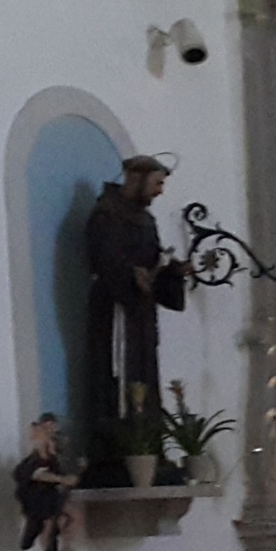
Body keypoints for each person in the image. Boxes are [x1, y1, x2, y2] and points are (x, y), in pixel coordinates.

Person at [85, 154, 188, 449]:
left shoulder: (146, 221)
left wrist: (172, 272)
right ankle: (118, 446)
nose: (160, 191)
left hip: (140, 313)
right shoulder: (106, 214)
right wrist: (132, 274)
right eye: (157, 183)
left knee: (144, 372)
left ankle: (147, 445)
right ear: (134, 178)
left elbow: (154, 265)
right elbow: (104, 259)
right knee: (117, 371)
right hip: (114, 309)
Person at [13, 416, 78, 551]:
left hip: (54, 497)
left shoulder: (55, 455)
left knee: (72, 517)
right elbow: (36, 474)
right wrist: (61, 479)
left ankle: (65, 547)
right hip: (39, 499)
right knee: (48, 524)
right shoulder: (33, 460)